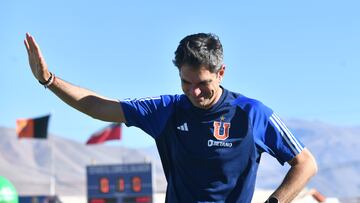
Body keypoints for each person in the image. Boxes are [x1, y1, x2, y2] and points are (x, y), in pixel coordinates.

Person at [24, 32, 318, 203]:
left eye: (203, 83)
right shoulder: (167, 109)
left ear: (221, 73)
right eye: (185, 82)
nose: (194, 91)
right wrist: (49, 80)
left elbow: (305, 163)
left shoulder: (252, 114)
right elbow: (98, 106)